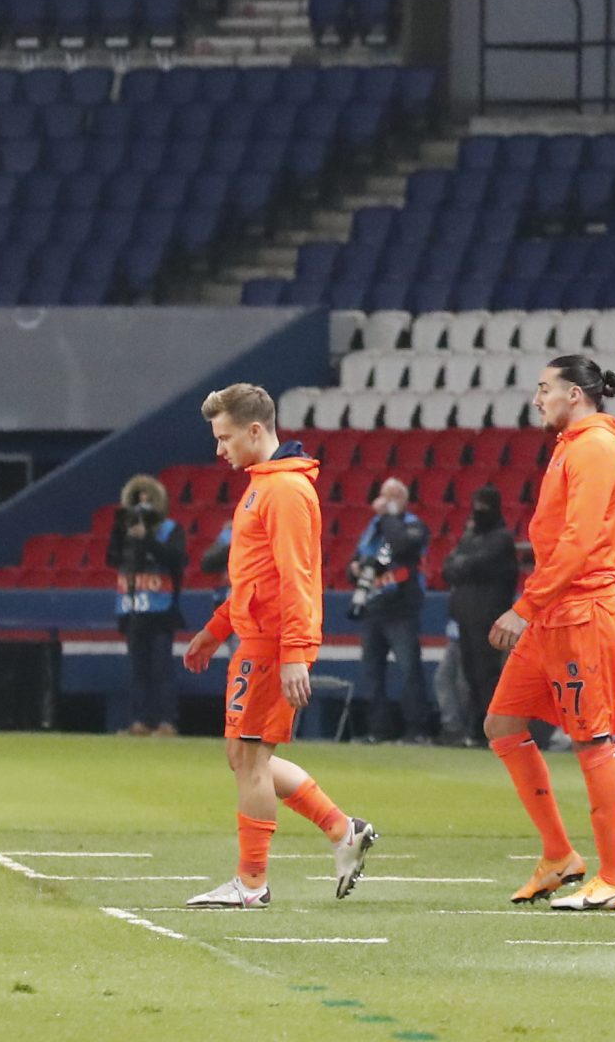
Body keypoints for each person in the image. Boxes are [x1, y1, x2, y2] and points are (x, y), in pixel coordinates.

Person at [177, 384, 377, 910]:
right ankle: (342, 829)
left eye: (224, 438)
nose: (219, 450)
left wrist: (294, 652)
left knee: (250, 760)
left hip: (271, 644)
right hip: (256, 638)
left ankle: (251, 882)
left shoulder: (284, 490)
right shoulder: (264, 485)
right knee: (243, 756)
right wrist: (217, 629)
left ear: (255, 431)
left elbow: (297, 578)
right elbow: (255, 578)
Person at [484, 354, 615, 912]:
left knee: (592, 740)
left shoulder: (595, 447)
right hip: (557, 610)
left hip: (581, 611)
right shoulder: (573, 447)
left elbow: (578, 542)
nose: (537, 399)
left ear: (575, 394)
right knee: (503, 723)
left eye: (545, 388)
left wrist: (524, 606)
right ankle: (559, 855)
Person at [351, 476, 431, 742]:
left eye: (394, 496)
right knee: (372, 672)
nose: (387, 502)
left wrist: (389, 516)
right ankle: (378, 730)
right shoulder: (372, 527)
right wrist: (356, 569)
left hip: (402, 609)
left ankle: (416, 730)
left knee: (409, 670)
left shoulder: (413, 526)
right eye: (385, 495)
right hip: (374, 607)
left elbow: (401, 546)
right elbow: (361, 560)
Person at [108, 474, 187, 737]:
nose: (143, 505)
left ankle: (167, 722)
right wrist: (125, 534)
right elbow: (112, 557)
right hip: (133, 607)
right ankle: (139, 722)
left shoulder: (171, 530)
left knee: (161, 668)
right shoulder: (123, 529)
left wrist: (147, 539)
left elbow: (176, 559)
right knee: (137, 669)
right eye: (138, 500)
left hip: (161, 610)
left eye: (148, 500)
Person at [441, 485, 519, 743]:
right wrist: (464, 565)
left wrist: (464, 565)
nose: (478, 510)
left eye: (483, 505)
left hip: (489, 619)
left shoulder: (501, 539)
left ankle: (494, 729)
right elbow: (449, 568)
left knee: (488, 675)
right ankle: (476, 729)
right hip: (465, 617)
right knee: (470, 674)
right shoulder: (470, 537)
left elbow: (475, 564)